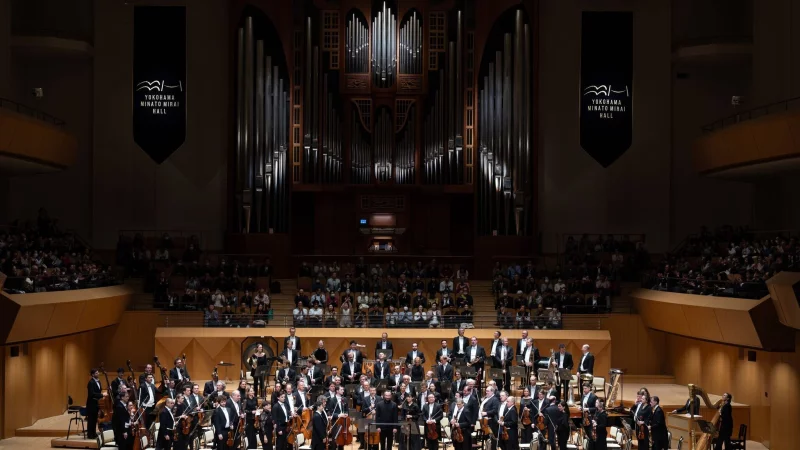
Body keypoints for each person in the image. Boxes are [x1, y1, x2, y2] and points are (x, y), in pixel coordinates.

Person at [86, 368, 107, 439]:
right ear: (92, 375)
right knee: (91, 419)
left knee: (95, 419)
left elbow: (99, 391)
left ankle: (94, 433)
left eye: (98, 373)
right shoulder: (90, 383)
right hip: (91, 404)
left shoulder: (99, 381)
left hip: (96, 403)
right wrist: (102, 395)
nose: (98, 374)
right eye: (96, 373)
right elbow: (92, 394)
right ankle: (90, 434)